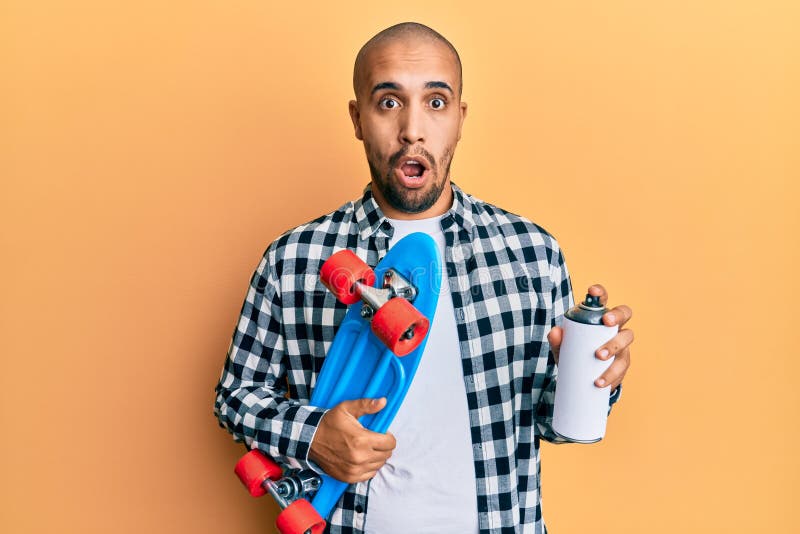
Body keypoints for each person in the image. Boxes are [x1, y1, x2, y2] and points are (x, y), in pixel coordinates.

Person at [214, 22, 634, 534]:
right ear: (357, 119)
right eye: (389, 102)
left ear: (460, 118)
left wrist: (594, 375)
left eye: (436, 103)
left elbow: (551, 423)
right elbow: (237, 395)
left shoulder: (532, 253)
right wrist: (311, 434)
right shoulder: (295, 258)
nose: (413, 129)